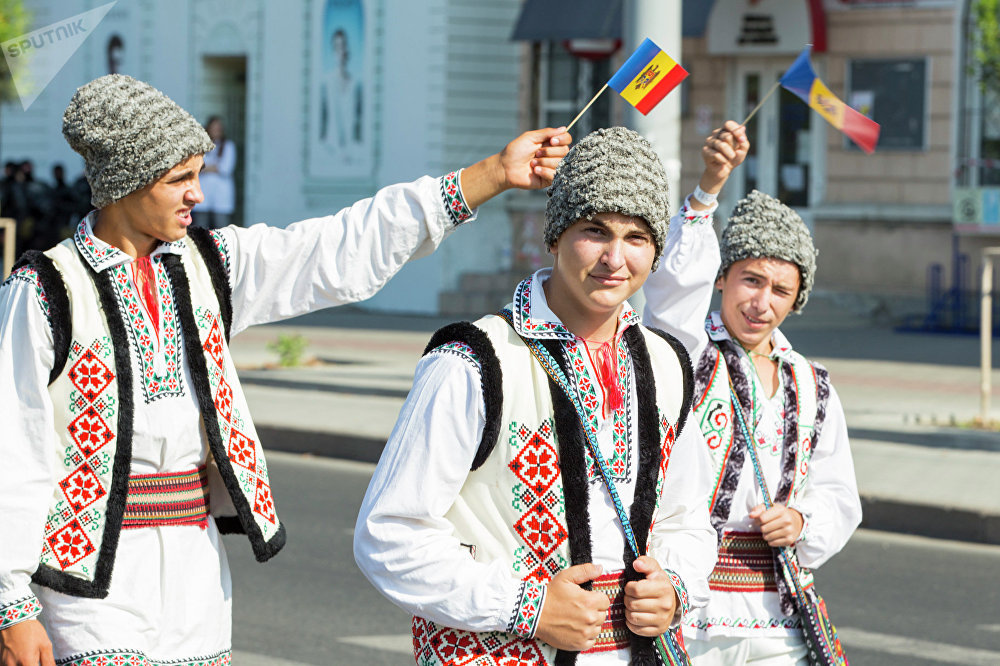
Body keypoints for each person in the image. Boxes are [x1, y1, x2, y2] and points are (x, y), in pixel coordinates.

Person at [0, 73, 571, 666]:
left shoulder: (210, 267)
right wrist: (12, 604)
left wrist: (493, 175)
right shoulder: (46, 291)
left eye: (198, 173)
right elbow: (12, 448)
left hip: (196, 574)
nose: (198, 193)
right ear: (125, 183)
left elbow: (337, 247)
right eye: (179, 179)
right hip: (87, 581)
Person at [355, 127, 718, 665]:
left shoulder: (667, 365)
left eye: (637, 237)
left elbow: (686, 518)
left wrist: (674, 588)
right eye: (595, 231)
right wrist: (527, 606)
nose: (614, 259)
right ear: (554, 236)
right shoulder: (475, 361)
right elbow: (389, 534)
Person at [643, 121, 862, 665]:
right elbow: (670, 290)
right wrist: (709, 187)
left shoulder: (811, 384)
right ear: (721, 278)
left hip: (779, 619)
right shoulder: (688, 355)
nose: (762, 302)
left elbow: (839, 495)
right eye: (750, 280)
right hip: (691, 611)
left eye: (781, 289)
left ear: (796, 300)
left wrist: (803, 521)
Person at [195, 116, 237, 229]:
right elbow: (196, 167)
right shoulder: (201, 146)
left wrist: (206, 168)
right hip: (203, 195)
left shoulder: (228, 146)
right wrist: (213, 167)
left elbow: (225, 169)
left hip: (221, 197)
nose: (215, 131)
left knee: (221, 229)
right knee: (200, 229)